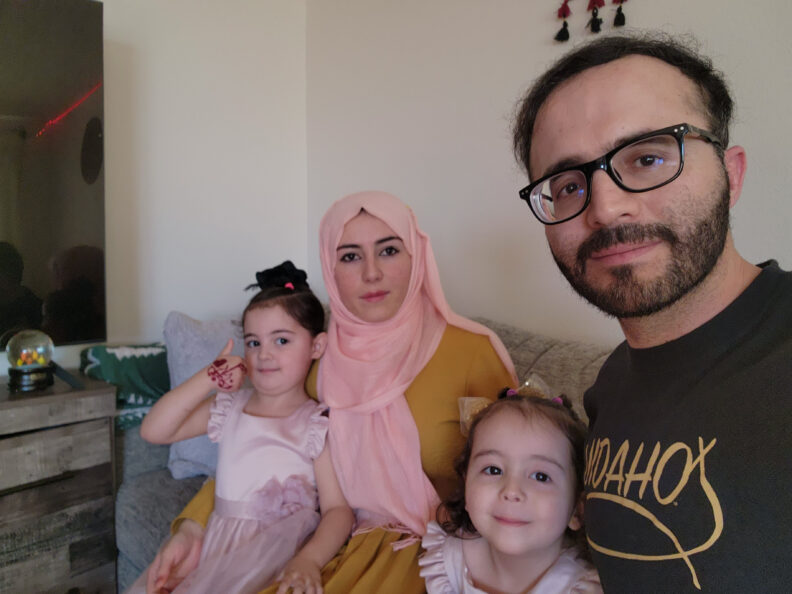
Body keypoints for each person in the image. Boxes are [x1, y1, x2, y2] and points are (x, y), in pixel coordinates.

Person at [512, 33, 792, 592]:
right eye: (568, 185)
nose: (606, 207)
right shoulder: (610, 385)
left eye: (647, 158)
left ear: (731, 174)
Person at [145, 191, 517, 593]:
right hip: (323, 547)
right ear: (330, 267)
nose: (371, 273)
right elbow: (257, 452)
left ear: (417, 257)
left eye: (389, 250)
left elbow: (516, 475)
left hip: (432, 555)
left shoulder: (470, 352)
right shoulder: (311, 364)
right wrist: (192, 527)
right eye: (350, 256)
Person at [130, 261, 354, 594]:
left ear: (316, 347)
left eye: (281, 341)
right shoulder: (229, 407)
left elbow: (338, 511)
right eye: (253, 342)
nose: (264, 354)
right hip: (219, 552)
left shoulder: (313, 423)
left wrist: (310, 559)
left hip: (279, 556)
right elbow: (154, 430)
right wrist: (208, 377)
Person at [419, 387, 602, 593]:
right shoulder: (448, 560)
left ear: (577, 509)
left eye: (541, 476)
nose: (511, 490)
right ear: (466, 483)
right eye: (493, 469)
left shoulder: (584, 587)